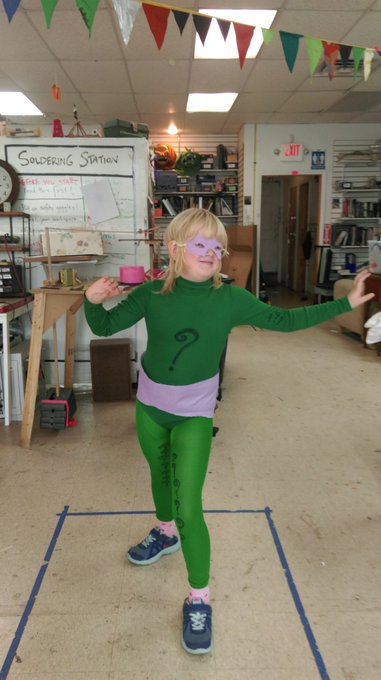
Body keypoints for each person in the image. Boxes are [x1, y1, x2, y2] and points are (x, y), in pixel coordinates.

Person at [84, 208, 374, 655]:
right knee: (159, 478)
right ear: (175, 249)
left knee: (190, 504)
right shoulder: (150, 295)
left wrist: (347, 303)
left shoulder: (230, 299)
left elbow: (286, 321)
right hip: (150, 409)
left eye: (218, 247)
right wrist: (92, 296)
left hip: (195, 415)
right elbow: (103, 326)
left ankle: (199, 596)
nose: (212, 254)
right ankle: (165, 533)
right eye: (201, 244)